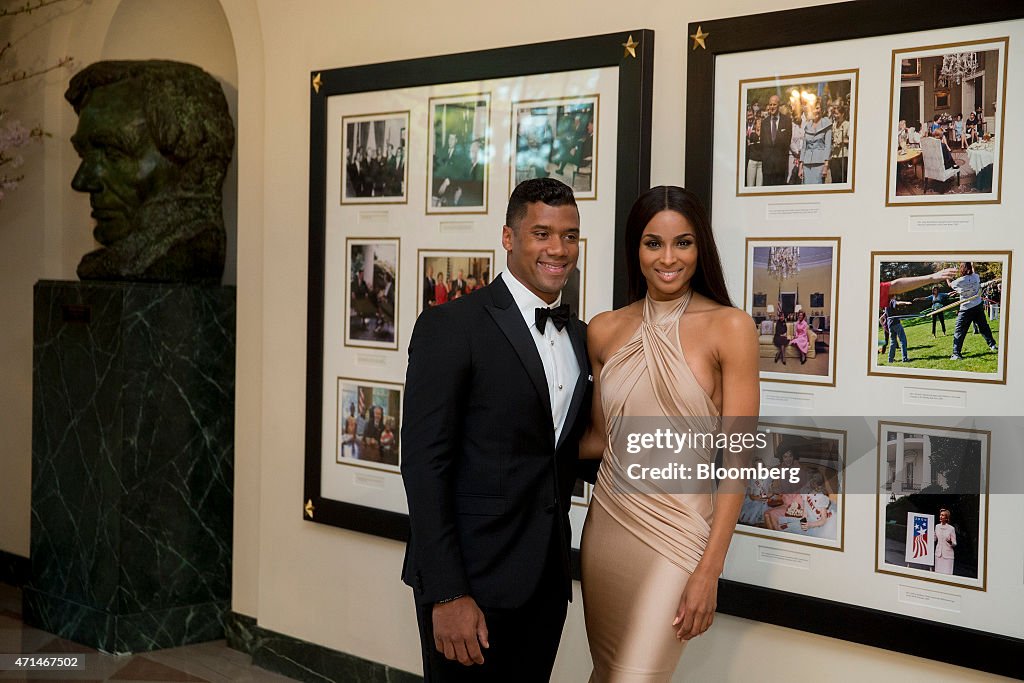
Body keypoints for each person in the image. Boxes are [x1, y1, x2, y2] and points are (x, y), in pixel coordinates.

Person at [401, 178, 593, 681]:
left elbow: (569, 450)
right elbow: (425, 467)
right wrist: (447, 592)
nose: (559, 249)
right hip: (470, 585)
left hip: (547, 583)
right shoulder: (451, 326)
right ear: (508, 238)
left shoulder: (580, 336)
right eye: (542, 234)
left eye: (570, 236)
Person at [579, 186, 758, 680]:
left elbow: (738, 458)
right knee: (608, 672)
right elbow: (597, 439)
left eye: (683, 243)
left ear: (700, 249)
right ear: (635, 249)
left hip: (681, 539)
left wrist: (710, 569)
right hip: (608, 529)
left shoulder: (731, 327)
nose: (668, 258)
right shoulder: (604, 330)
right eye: (653, 243)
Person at [66, 60, 234, 282]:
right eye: (83, 154)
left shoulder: (181, 254)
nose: (81, 181)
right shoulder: (117, 261)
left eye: (113, 153)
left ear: (188, 159)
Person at [947, 262, 998, 361]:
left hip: (966, 308)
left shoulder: (959, 281)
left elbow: (950, 285)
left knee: (959, 331)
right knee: (984, 327)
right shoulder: (976, 277)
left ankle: (956, 354)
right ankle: (992, 345)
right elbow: (972, 279)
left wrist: (947, 277)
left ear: (962, 269)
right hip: (978, 306)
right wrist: (972, 264)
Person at [760, 95, 792, 185]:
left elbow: (787, 142)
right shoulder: (764, 123)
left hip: (780, 166)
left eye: (774, 104)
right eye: (770, 105)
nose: (772, 107)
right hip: (767, 166)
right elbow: (762, 143)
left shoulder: (787, 121)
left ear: (779, 105)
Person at [799, 101, 832, 184]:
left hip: (820, 164)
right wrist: (801, 166)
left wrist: (826, 165)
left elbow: (828, 146)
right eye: (813, 108)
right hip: (806, 164)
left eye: (817, 108)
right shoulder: (807, 125)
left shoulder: (827, 123)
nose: (815, 111)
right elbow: (804, 147)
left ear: (822, 109)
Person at [934, 508, 956, 575]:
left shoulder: (951, 529)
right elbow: (934, 539)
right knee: (938, 574)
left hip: (948, 556)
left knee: (947, 574)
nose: (941, 516)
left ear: (946, 518)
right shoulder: (937, 526)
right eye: (940, 515)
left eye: (943, 515)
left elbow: (954, 543)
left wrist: (950, 542)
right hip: (938, 555)